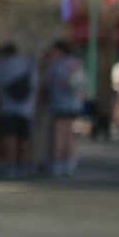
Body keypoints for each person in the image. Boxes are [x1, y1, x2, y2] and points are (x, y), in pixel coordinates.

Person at [0, 42, 38, 179]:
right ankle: (26, 166)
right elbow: (36, 86)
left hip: (8, 107)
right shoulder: (29, 64)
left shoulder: (1, 65)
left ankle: (11, 166)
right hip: (27, 108)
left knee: (10, 137)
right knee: (26, 138)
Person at [43, 41, 84, 177]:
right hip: (74, 104)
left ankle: (57, 164)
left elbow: (47, 84)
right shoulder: (76, 64)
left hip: (59, 103)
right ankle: (70, 163)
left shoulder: (56, 65)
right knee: (70, 135)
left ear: (60, 51)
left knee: (60, 134)